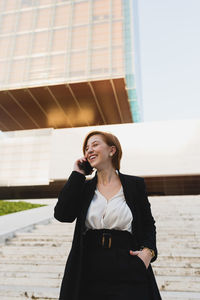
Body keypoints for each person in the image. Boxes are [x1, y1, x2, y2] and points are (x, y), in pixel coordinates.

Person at [54, 130, 162, 300]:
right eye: (86, 148)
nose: (89, 150)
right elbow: (62, 215)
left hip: (127, 261)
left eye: (95, 144)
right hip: (88, 264)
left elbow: (148, 223)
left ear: (112, 150)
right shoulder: (84, 188)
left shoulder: (135, 185)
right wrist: (77, 174)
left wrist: (148, 252)